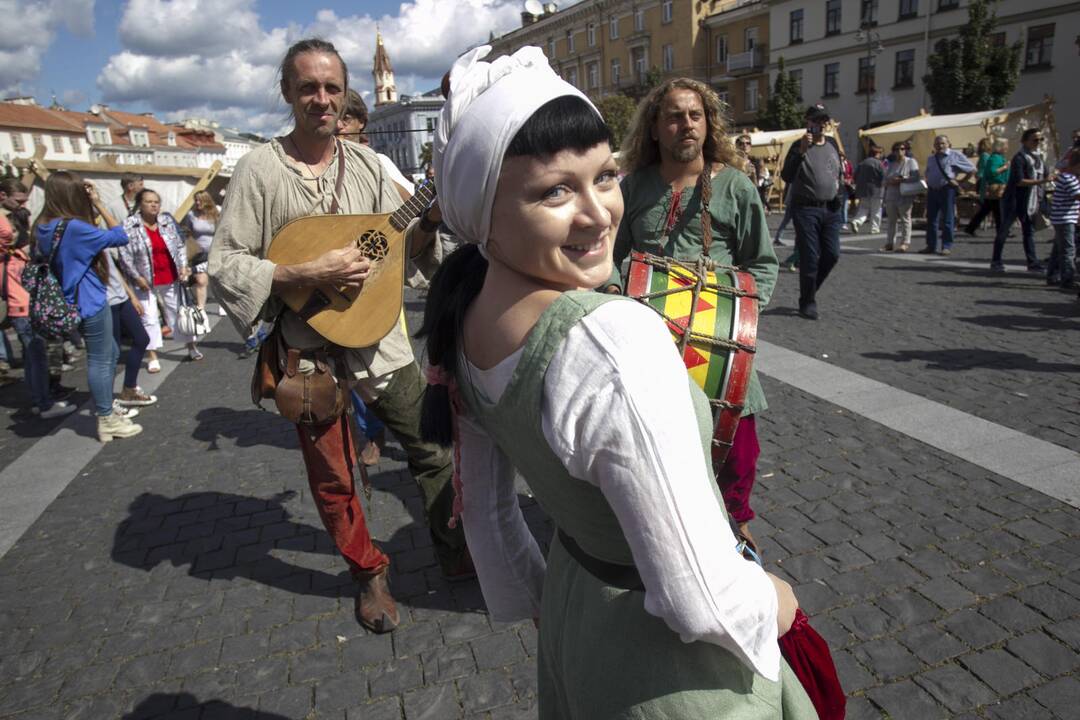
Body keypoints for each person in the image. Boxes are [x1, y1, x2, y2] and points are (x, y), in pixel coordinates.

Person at [419, 44, 813, 720]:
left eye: (604, 176)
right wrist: (778, 600)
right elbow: (702, 598)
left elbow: (487, 520)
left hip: (580, 628)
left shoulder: (463, 317)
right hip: (674, 676)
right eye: (553, 190)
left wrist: (559, 613)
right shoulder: (611, 341)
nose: (600, 213)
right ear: (486, 211)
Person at [208, 38, 467, 634]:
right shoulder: (260, 171)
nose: (321, 99)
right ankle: (368, 573)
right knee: (334, 474)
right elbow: (223, 263)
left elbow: (405, 248)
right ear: (287, 94)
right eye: (308, 88)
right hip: (308, 348)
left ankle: (453, 548)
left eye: (331, 88)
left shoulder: (370, 165)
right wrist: (301, 273)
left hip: (378, 336)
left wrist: (428, 217)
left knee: (431, 446)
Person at [605, 77, 778, 548]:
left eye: (695, 115)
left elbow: (761, 264)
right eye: (675, 116)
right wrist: (619, 291)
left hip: (719, 342)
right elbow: (611, 258)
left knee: (740, 445)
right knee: (654, 445)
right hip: (650, 342)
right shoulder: (632, 188)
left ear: (708, 124)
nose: (687, 125)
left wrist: (737, 314)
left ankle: (735, 522)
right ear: (655, 129)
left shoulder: (736, 187)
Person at [33, 172, 143, 441]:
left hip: (71, 298)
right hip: (90, 299)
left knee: (110, 351)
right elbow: (120, 235)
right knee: (100, 359)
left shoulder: (44, 225)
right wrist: (98, 203)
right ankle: (106, 418)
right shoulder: (74, 228)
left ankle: (106, 408)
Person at [1, 197, 75, 418]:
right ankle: (44, 404)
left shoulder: (14, 254)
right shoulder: (7, 254)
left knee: (32, 360)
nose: (12, 233)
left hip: (21, 310)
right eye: (10, 230)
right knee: (38, 359)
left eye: (16, 230)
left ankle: (38, 400)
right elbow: (4, 231)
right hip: (24, 310)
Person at [118, 188, 202, 367]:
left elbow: (179, 245)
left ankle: (191, 346)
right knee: (148, 318)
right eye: (149, 201)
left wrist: (183, 266)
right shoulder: (129, 224)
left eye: (156, 201)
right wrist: (135, 276)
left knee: (180, 313)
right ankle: (153, 356)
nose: (154, 205)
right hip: (145, 280)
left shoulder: (166, 221)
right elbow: (124, 254)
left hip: (170, 276)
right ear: (140, 204)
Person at [780, 103, 844, 320]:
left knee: (832, 254)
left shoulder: (833, 143)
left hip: (831, 208)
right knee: (809, 256)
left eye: (823, 121)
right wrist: (801, 152)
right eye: (815, 120)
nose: (819, 125)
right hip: (805, 208)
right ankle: (807, 301)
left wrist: (841, 192)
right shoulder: (798, 146)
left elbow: (838, 171)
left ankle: (810, 289)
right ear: (807, 122)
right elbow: (786, 176)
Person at [991, 128, 1052, 273]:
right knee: (1004, 230)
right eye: (1035, 140)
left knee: (1028, 232)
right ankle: (996, 260)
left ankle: (1032, 263)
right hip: (1014, 199)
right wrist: (1042, 181)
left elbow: (1044, 175)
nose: (1038, 142)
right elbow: (1019, 181)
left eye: (1040, 139)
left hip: (1031, 199)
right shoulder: (1020, 157)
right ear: (1025, 141)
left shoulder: (1039, 157)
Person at [105, 244, 156, 410]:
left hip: (120, 297)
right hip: (104, 301)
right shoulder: (80, 235)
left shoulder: (95, 232)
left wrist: (131, 295)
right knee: (111, 353)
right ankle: (107, 406)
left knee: (142, 338)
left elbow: (114, 270)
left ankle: (129, 389)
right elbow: (119, 235)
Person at [920, 134, 975, 256]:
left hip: (947, 190)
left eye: (942, 143)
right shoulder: (931, 158)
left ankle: (946, 246)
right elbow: (928, 172)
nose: (940, 146)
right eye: (937, 144)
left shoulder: (955, 155)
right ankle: (931, 245)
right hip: (932, 190)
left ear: (948, 144)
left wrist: (960, 181)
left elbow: (972, 169)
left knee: (947, 219)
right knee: (931, 219)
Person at [182, 190, 218, 314]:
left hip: (215, 251)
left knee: (217, 279)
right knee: (201, 280)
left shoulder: (216, 213)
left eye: (200, 200)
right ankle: (201, 308)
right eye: (195, 200)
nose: (197, 202)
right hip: (199, 253)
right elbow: (187, 232)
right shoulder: (191, 215)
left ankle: (222, 304)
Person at [1046, 150, 1079, 288]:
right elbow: (1078, 195)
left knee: (1058, 249)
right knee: (1068, 250)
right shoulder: (1068, 178)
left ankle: (1052, 275)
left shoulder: (1070, 177)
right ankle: (1067, 279)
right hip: (1064, 218)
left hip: (1064, 217)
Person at [965, 138, 1009, 237]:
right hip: (995, 186)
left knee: (988, 209)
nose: (1007, 147)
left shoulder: (993, 156)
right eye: (1006, 145)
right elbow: (991, 172)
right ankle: (1002, 231)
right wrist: (1005, 168)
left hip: (993, 185)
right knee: (997, 209)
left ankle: (971, 228)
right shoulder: (992, 157)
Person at [882, 141, 919, 252]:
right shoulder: (891, 164)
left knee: (905, 219)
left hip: (905, 194)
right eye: (896, 149)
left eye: (902, 149)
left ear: (906, 150)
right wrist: (889, 181)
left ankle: (905, 243)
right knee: (891, 220)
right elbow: (885, 179)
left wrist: (901, 179)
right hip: (891, 194)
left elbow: (915, 177)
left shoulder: (911, 162)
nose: (899, 151)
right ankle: (889, 243)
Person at [849, 143, 885, 235]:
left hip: (863, 190)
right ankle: (875, 228)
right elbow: (884, 177)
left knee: (864, 208)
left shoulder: (862, 163)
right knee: (876, 210)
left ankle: (857, 221)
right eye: (880, 153)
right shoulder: (879, 164)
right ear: (878, 153)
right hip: (876, 190)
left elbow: (855, 176)